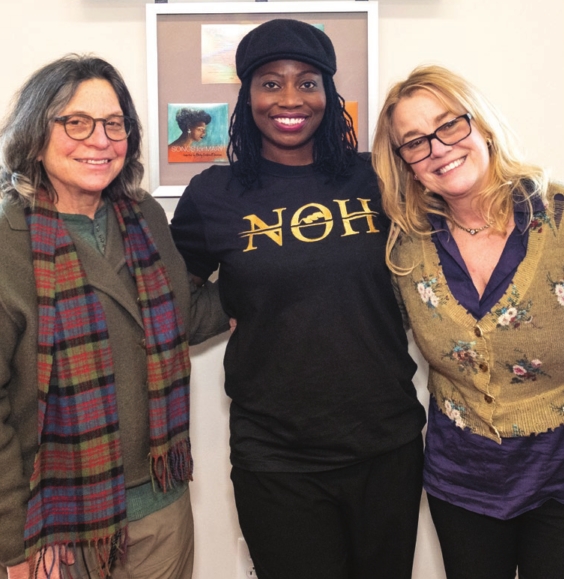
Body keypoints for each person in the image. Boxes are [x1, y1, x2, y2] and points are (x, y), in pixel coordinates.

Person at [171, 19, 426, 579]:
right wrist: (230, 306)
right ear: (248, 96)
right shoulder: (213, 194)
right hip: (276, 457)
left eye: (307, 82)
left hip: (386, 444)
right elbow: (169, 303)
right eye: (271, 83)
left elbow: (434, 260)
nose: (290, 99)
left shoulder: (378, 178)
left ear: (328, 94)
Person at [0, 55, 228, 579]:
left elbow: (178, 318)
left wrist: (272, 280)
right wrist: (14, 544)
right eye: (76, 122)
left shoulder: (144, 215)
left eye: (114, 123)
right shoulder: (8, 240)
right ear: (35, 135)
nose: (100, 140)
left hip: (162, 505)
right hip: (56, 526)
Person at [372, 64, 564, 579]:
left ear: (482, 125)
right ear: (406, 163)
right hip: (462, 480)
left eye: (449, 125)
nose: (438, 148)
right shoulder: (404, 247)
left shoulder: (558, 218)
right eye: (415, 142)